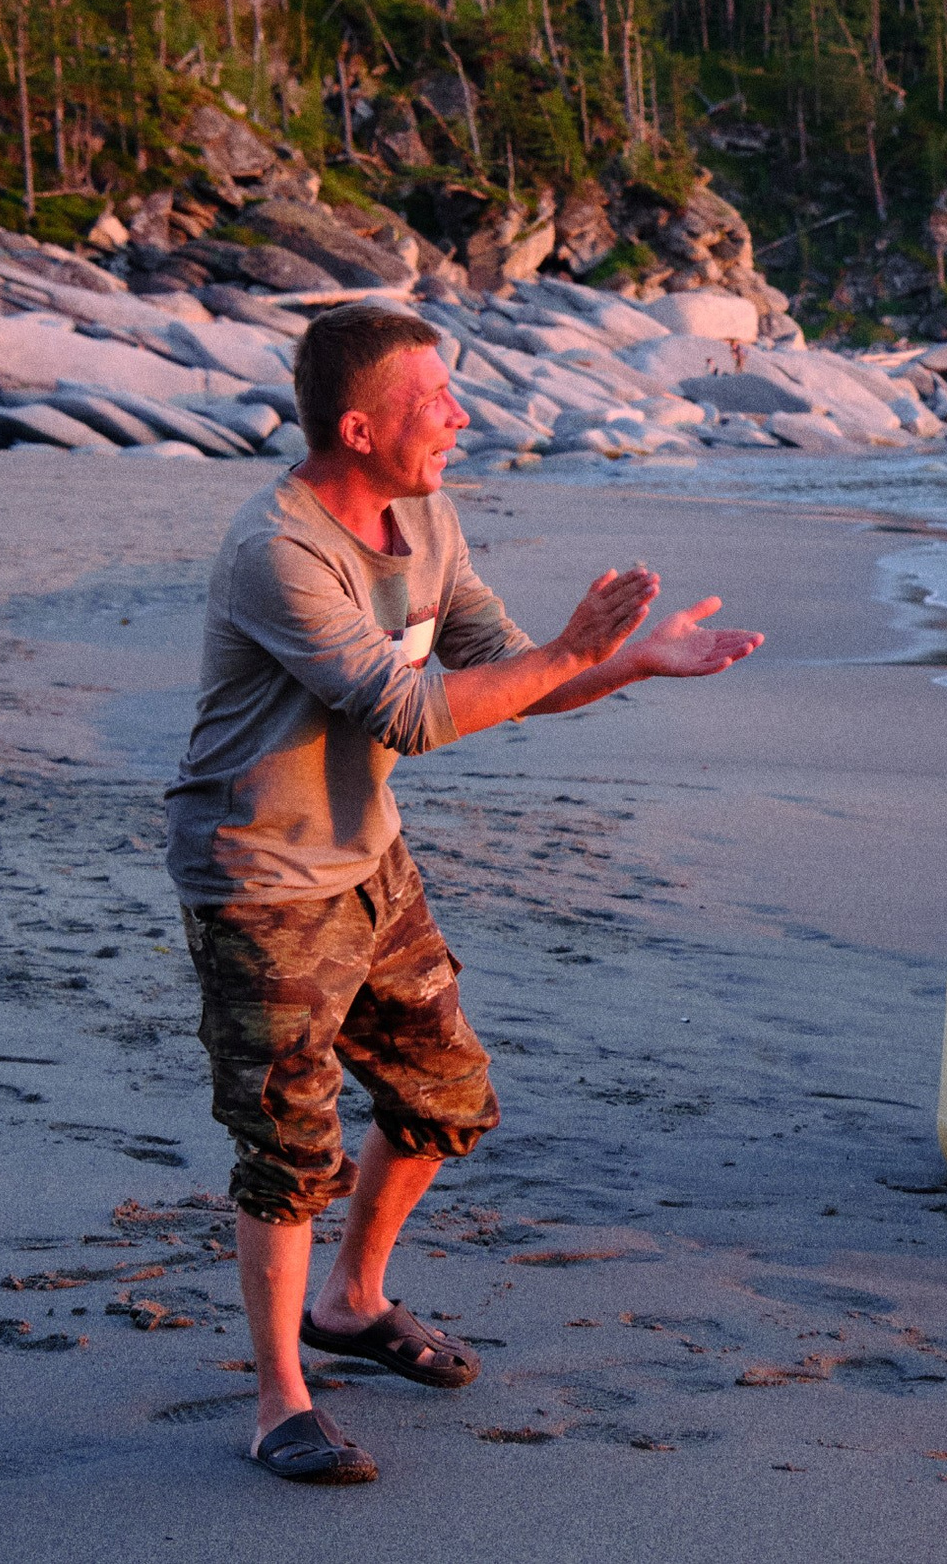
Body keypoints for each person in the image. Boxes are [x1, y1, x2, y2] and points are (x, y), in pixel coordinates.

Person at [162, 301, 763, 1483]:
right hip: (262, 878)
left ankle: (352, 1299)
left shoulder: (426, 513)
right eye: (433, 399)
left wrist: (625, 659)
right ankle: (279, 1400)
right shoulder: (277, 551)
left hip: (367, 855)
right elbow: (414, 713)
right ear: (357, 424)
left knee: (446, 1094)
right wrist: (579, 651)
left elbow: (502, 676)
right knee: (288, 1146)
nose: (459, 415)